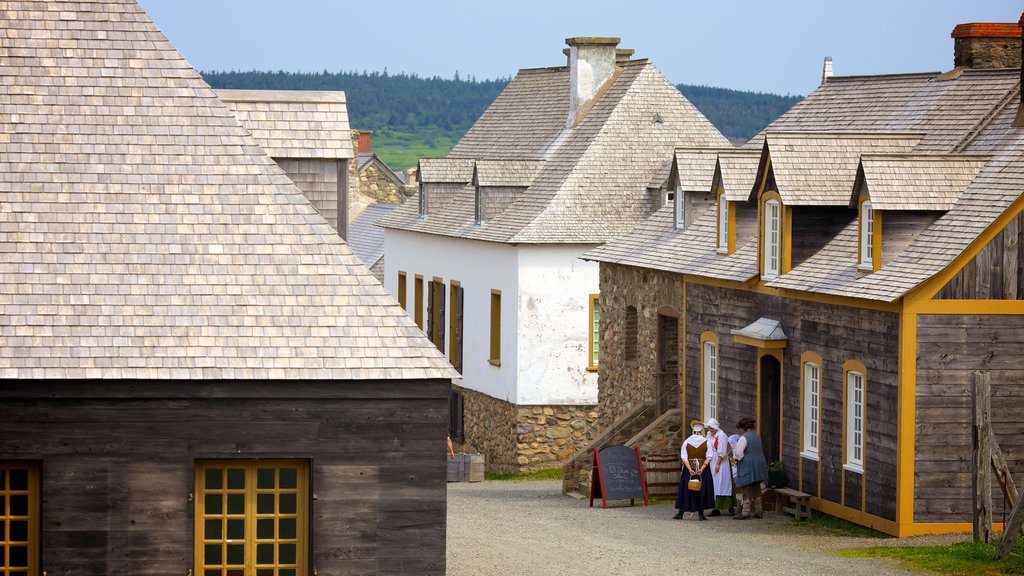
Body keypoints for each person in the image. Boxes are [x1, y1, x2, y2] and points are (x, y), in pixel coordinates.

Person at [673, 419, 715, 520]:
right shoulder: (707, 442)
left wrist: (690, 469)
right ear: (702, 432)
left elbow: (684, 457)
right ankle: (701, 514)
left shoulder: (686, 441)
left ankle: (681, 513)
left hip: (689, 469)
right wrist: (701, 468)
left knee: (686, 489)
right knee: (702, 489)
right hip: (703, 470)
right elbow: (709, 456)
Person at [732, 417, 768, 520]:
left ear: (743, 428)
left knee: (746, 486)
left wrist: (736, 459)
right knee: (756, 487)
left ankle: (745, 512)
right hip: (759, 464)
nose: (739, 431)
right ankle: (759, 511)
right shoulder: (757, 435)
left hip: (748, 465)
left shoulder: (744, 438)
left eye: (739, 428)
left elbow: (738, 453)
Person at [704, 418, 736, 517]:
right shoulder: (709, 434)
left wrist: (718, 464)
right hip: (711, 460)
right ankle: (715, 509)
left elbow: (721, 452)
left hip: (721, 462)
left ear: (716, 427)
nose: (710, 430)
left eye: (711, 428)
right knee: (714, 484)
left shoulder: (722, 436)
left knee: (723, 483)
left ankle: (730, 507)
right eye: (709, 428)